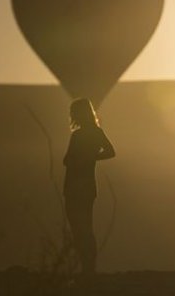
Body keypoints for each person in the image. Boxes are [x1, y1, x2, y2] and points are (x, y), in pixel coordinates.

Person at [62, 98, 115, 278]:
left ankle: (87, 268)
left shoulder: (78, 135)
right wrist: (91, 157)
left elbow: (67, 160)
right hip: (87, 186)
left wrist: (85, 158)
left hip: (75, 186)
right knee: (86, 226)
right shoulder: (96, 132)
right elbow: (110, 152)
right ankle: (88, 267)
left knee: (79, 227)